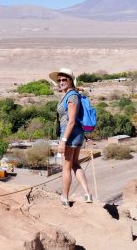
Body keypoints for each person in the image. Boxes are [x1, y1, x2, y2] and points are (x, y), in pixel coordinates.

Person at [49, 68, 93, 206]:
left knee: (66, 167)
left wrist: (63, 141)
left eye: (64, 79)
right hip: (78, 134)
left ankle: (65, 198)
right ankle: (87, 194)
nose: (61, 82)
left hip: (69, 134)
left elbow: (72, 121)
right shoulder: (70, 94)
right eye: (59, 80)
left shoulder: (72, 96)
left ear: (70, 81)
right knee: (74, 164)